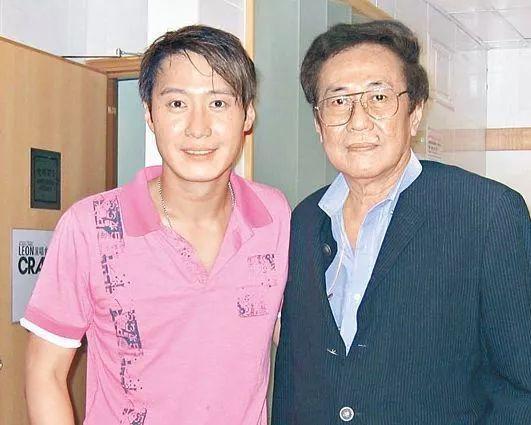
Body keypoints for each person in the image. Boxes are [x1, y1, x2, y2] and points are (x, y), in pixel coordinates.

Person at [23, 25, 290, 425]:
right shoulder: (90, 227)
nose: (198, 128)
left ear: (248, 114)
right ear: (149, 114)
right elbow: (44, 372)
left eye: (218, 103)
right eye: (177, 103)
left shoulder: (275, 216)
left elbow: (293, 342)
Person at [272, 20, 531, 424]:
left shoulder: (487, 213)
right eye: (338, 101)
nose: (358, 121)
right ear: (318, 124)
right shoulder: (302, 222)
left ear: (414, 113)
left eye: (379, 97)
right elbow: (294, 376)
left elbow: (521, 388)